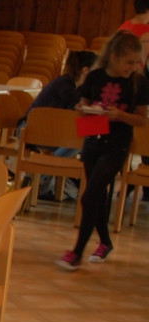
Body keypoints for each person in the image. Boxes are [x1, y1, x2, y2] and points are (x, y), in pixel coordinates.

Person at [56, 31, 148, 270]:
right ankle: (105, 242)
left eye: (136, 62)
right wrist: (82, 109)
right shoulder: (95, 76)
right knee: (95, 195)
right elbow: (84, 104)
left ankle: (77, 251)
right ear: (114, 57)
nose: (133, 67)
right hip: (93, 140)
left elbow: (141, 119)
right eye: (129, 62)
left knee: (89, 195)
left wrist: (120, 115)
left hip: (117, 144)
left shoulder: (138, 82)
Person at [25, 49, 97, 199]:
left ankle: (44, 175)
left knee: (90, 135)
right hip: (32, 130)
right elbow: (80, 110)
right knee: (88, 136)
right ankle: (44, 174)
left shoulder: (77, 87)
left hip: (52, 131)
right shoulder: (64, 84)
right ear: (86, 71)